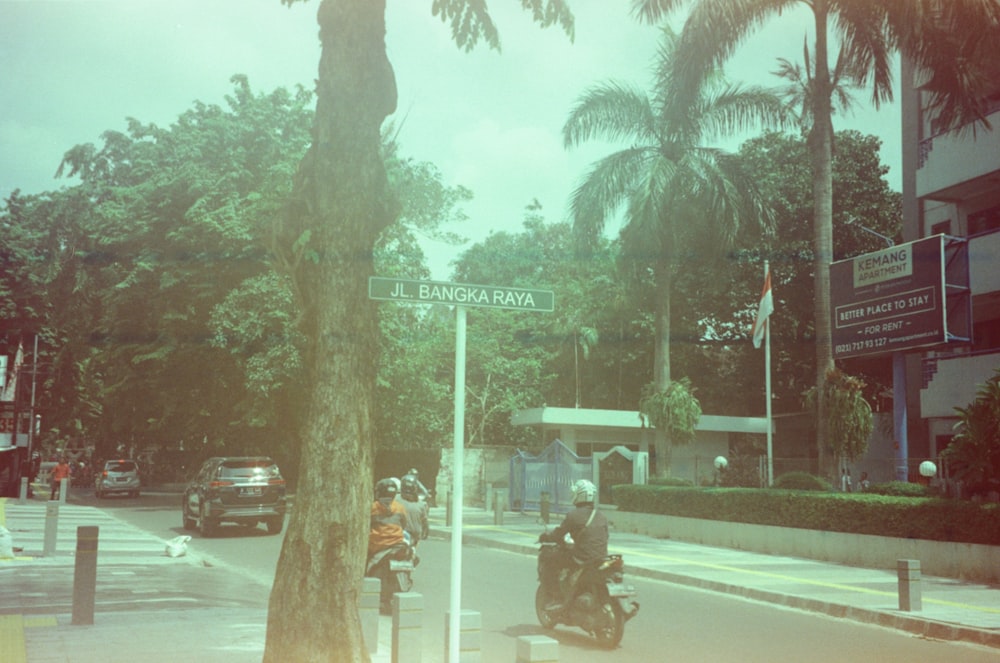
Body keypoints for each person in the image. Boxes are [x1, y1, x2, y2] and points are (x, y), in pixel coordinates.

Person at [538, 478, 608, 609]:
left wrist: (545, 537)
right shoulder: (601, 515)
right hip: (601, 557)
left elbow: (558, 535)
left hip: (582, 558)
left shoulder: (573, 515)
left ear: (578, 495)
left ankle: (555, 597)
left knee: (548, 559)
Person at [368, 477, 408, 559]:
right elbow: (404, 524)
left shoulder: (373, 507)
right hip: (397, 543)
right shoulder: (400, 507)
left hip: (377, 544)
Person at [398, 475, 429, 544]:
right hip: (403, 535)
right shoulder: (420, 504)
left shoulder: (395, 499)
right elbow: (425, 521)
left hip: (411, 537)